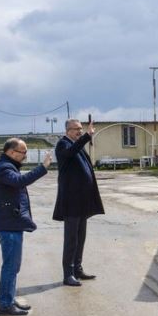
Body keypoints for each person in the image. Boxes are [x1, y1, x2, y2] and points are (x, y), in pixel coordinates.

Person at [0, 138, 52, 316]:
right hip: (8, 225)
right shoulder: (4, 169)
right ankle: (6, 305)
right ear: (12, 152)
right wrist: (43, 167)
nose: (25, 156)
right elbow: (19, 181)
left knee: (13, 266)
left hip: (10, 222)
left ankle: (9, 299)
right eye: (23, 152)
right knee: (10, 266)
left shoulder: (6, 167)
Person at [53, 119, 104, 286]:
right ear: (68, 130)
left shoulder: (77, 145)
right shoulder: (63, 145)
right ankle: (68, 274)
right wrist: (87, 136)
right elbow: (70, 153)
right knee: (71, 239)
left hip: (82, 201)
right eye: (76, 129)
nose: (79, 132)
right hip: (71, 201)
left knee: (80, 237)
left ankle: (77, 270)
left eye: (81, 129)